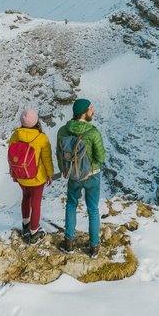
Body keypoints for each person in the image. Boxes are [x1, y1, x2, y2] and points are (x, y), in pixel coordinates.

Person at [57, 97, 107, 256]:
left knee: (71, 205)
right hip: (92, 176)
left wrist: (66, 170)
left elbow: (59, 154)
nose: (93, 111)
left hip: (74, 176)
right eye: (91, 108)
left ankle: (69, 243)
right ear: (84, 113)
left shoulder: (63, 131)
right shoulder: (93, 133)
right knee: (92, 209)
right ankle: (94, 247)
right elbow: (101, 157)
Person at [9, 107, 54, 243]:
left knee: (25, 198)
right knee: (36, 204)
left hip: (21, 176)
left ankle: (25, 226)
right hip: (37, 178)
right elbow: (47, 159)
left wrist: (14, 173)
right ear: (36, 122)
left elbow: (12, 157)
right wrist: (50, 174)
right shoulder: (41, 138)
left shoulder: (16, 135)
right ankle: (34, 233)